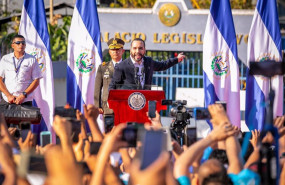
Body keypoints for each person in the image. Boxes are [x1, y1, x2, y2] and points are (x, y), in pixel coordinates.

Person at [109, 38, 185, 90]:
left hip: (145, 103)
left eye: (140, 48)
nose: (137, 51)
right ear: (130, 50)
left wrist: (176, 59)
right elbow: (112, 86)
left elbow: (163, 65)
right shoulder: (121, 66)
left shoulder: (149, 62)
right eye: (135, 48)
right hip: (127, 105)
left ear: (144, 50)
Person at [0, 34, 42, 106]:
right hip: (8, 100)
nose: (21, 45)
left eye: (23, 43)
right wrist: (8, 95)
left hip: (25, 101)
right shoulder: (5, 59)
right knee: (4, 117)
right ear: (12, 45)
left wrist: (23, 95)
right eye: (18, 43)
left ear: (25, 45)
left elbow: (36, 80)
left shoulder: (31, 59)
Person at [94, 38, 125, 119]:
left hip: (124, 106)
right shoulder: (103, 67)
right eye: (112, 49)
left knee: (124, 131)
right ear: (109, 52)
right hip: (107, 108)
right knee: (108, 130)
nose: (115, 52)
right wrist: (97, 106)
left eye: (118, 49)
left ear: (123, 51)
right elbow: (97, 88)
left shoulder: (129, 67)